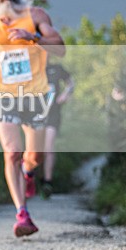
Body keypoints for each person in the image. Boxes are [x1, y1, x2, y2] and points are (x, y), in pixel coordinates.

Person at [0, 0, 65, 237]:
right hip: (2, 94)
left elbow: (60, 47)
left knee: (34, 157)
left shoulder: (36, 15)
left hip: (35, 95)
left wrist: (32, 37)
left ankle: (28, 172)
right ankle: (22, 214)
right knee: (12, 152)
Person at [41, 61, 75, 198]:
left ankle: (47, 182)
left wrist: (66, 94)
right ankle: (30, 178)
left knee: (48, 147)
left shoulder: (57, 68)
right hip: (33, 112)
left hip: (53, 112)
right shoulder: (31, 66)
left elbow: (71, 82)